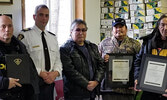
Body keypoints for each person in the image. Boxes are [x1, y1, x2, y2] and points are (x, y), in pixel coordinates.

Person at [17, 4, 62, 100]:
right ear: (34, 17)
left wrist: (55, 73)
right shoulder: (25, 35)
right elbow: (22, 61)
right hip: (32, 83)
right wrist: (40, 72)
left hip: (50, 83)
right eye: (41, 15)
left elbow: (58, 60)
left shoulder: (52, 37)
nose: (44, 18)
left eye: (47, 15)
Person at [60, 19, 106, 100]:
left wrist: (96, 81)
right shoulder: (65, 49)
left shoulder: (92, 47)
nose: (81, 33)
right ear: (71, 32)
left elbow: (101, 65)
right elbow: (70, 71)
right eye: (77, 30)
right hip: (75, 94)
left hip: (92, 92)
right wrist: (87, 84)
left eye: (83, 30)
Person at [98, 18, 141, 100]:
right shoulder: (103, 44)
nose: (118, 29)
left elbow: (139, 64)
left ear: (126, 29)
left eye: (121, 27)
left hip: (127, 90)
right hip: (108, 90)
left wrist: (136, 80)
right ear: (112, 30)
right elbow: (96, 63)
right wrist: (102, 59)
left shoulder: (135, 45)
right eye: (116, 27)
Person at [0, 15, 39, 99]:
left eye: (10, 26)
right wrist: (5, 82)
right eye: (3, 26)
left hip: (21, 95)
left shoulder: (20, 46)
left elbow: (31, 71)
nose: (7, 30)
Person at [134, 14, 167, 100]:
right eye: (163, 25)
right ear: (158, 26)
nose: (165, 28)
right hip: (148, 89)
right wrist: (137, 78)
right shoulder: (148, 42)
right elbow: (138, 61)